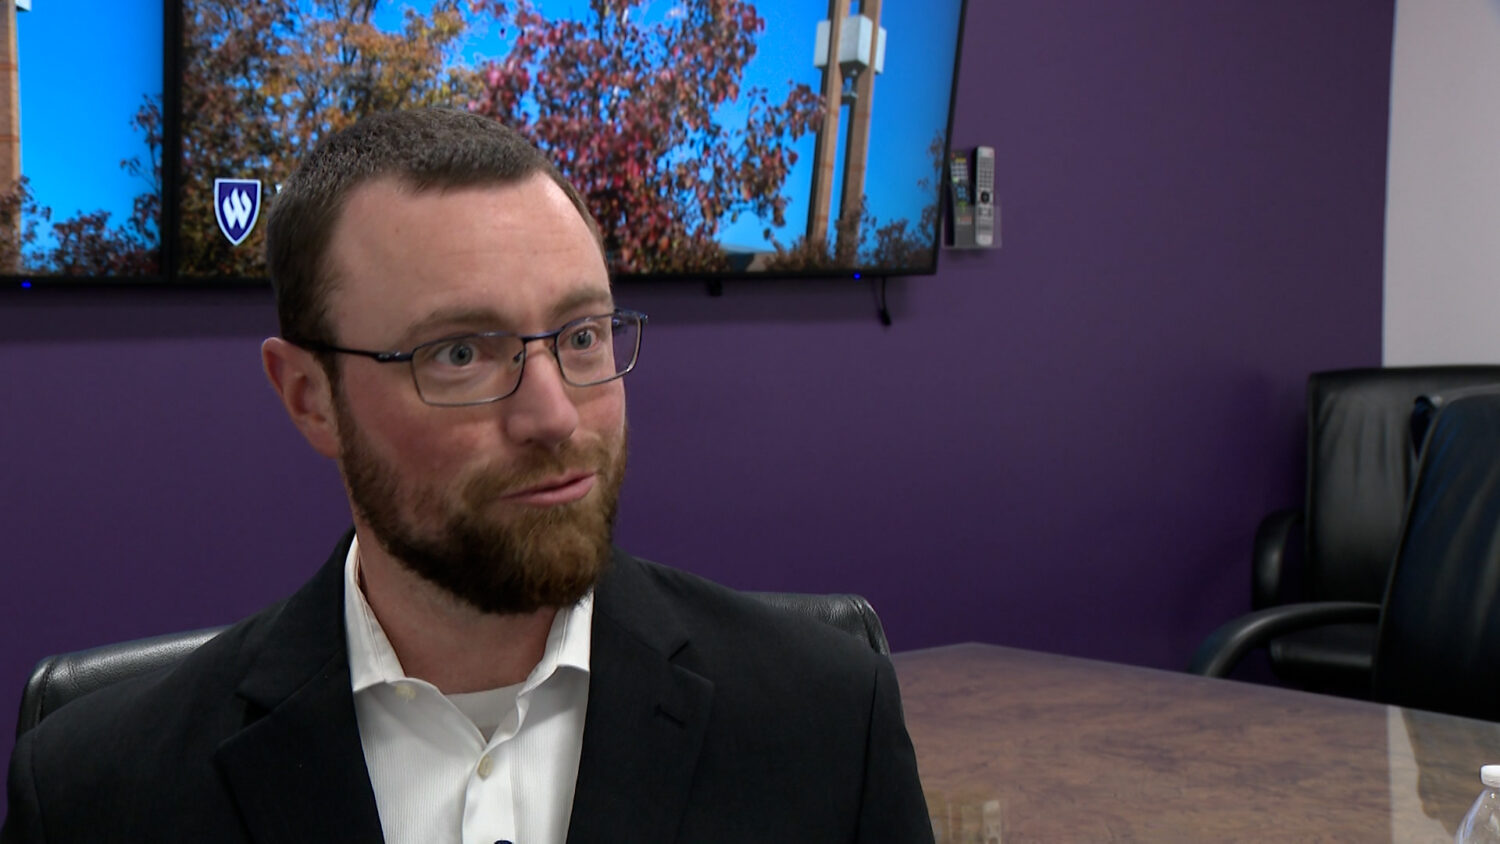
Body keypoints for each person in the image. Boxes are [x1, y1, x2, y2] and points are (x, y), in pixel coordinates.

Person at [1, 108, 932, 843]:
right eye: (458, 353)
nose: (554, 415)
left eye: (582, 336)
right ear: (310, 399)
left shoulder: (826, 721)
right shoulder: (98, 793)